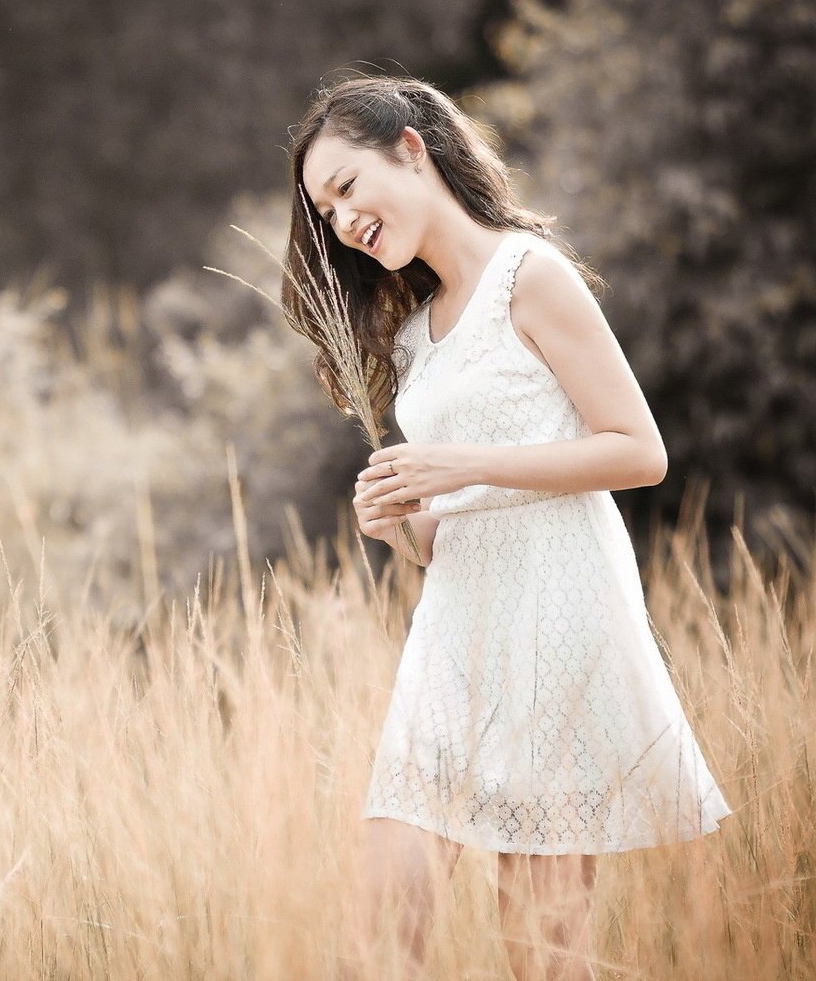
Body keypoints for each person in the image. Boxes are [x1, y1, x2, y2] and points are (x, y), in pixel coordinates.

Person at [282, 75, 734, 980]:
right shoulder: (413, 335)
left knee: (542, 949)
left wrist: (468, 467)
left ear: (411, 148)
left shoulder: (532, 275)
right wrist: (398, 529)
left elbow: (639, 452)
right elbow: (449, 535)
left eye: (346, 189)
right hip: (457, 627)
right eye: (325, 213)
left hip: (559, 613)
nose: (340, 223)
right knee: (384, 925)